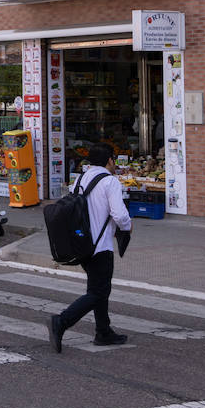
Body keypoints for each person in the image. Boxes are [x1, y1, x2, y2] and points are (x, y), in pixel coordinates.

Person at [47, 143, 133, 352]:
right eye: (113, 160)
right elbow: (119, 214)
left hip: (82, 243)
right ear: (109, 161)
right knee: (98, 291)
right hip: (100, 246)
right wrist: (127, 227)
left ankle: (103, 332)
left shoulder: (81, 178)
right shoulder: (110, 181)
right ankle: (62, 321)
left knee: (98, 289)